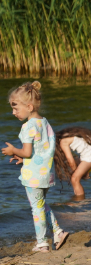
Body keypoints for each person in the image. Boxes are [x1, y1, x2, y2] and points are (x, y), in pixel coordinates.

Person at [3, 82, 68, 252]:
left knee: (36, 208)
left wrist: (13, 151)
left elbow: (27, 151)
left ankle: (42, 243)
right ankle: (58, 232)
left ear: (29, 107)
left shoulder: (28, 126)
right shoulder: (44, 123)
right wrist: (23, 159)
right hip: (46, 172)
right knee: (41, 204)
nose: (13, 112)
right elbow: (39, 150)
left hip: (34, 176)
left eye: (16, 108)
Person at [54, 127, 91, 200]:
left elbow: (71, 161)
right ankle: (84, 174)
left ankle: (80, 201)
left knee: (74, 179)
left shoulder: (63, 143)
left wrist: (75, 172)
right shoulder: (65, 135)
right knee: (75, 171)